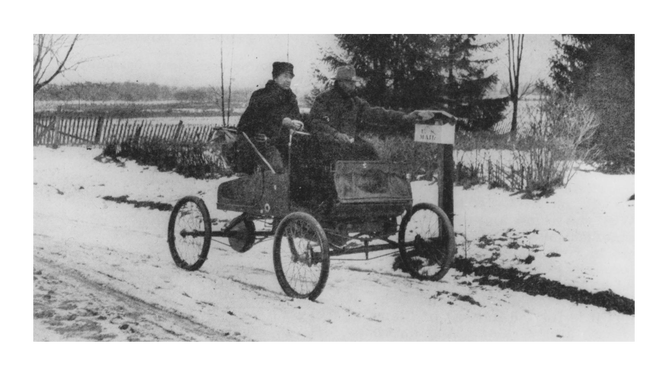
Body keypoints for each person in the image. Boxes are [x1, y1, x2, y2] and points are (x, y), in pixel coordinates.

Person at [293, 65, 431, 211]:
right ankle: (336, 200)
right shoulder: (324, 100)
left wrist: (404, 117)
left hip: (349, 144)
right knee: (339, 161)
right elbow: (316, 123)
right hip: (325, 145)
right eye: (349, 83)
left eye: (353, 83)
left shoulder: (356, 102)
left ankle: (372, 198)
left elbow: (377, 114)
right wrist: (335, 134)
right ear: (339, 82)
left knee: (369, 150)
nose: (352, 86)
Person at [231, 62, 304, 174]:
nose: (288, 80)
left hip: (281, 142)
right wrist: (282, 121)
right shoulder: (261, 95)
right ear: (275, 77)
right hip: (258, 141)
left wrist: (298, 124)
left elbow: (296, 116)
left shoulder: (291, 98)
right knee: (276, 168)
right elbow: (256, 119)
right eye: (285, 76)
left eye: (290, 77)